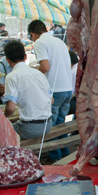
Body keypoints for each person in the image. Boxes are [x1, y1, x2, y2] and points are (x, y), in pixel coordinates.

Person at [27, 19, 74, 161]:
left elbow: (45, 66)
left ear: (32, 34)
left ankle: (55, 158)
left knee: (51, 127)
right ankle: (65, 154)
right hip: (67, 89)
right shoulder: (59, 42)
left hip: (54, 90)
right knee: (60, 124)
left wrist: (34, 73)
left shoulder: (40, 42)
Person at [2, 40, 53, 140]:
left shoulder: (11, 77)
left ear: (7, 60)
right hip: (48, 124)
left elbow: (10, 108)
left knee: (0, 131)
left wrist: (3, 117)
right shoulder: (39, 74)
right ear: (25, 57)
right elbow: (51, 100)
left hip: (30, 128)